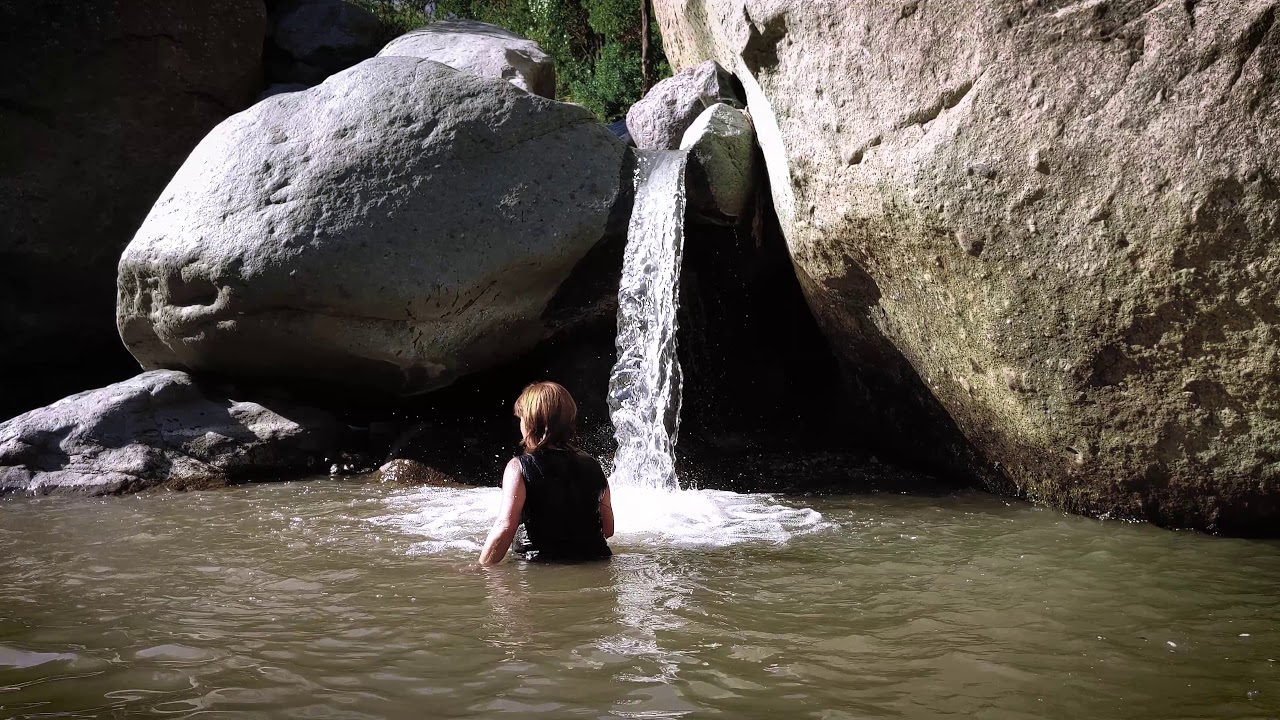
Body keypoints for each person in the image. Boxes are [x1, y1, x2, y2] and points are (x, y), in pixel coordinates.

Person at [477, 381, 614, 565]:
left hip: (541, 568)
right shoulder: (593, 465)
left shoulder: (519, 467)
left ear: (531, 422)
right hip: (595, 562)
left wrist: (479, 570)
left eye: (521, 418)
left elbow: (505, 527)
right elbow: (608, 529)